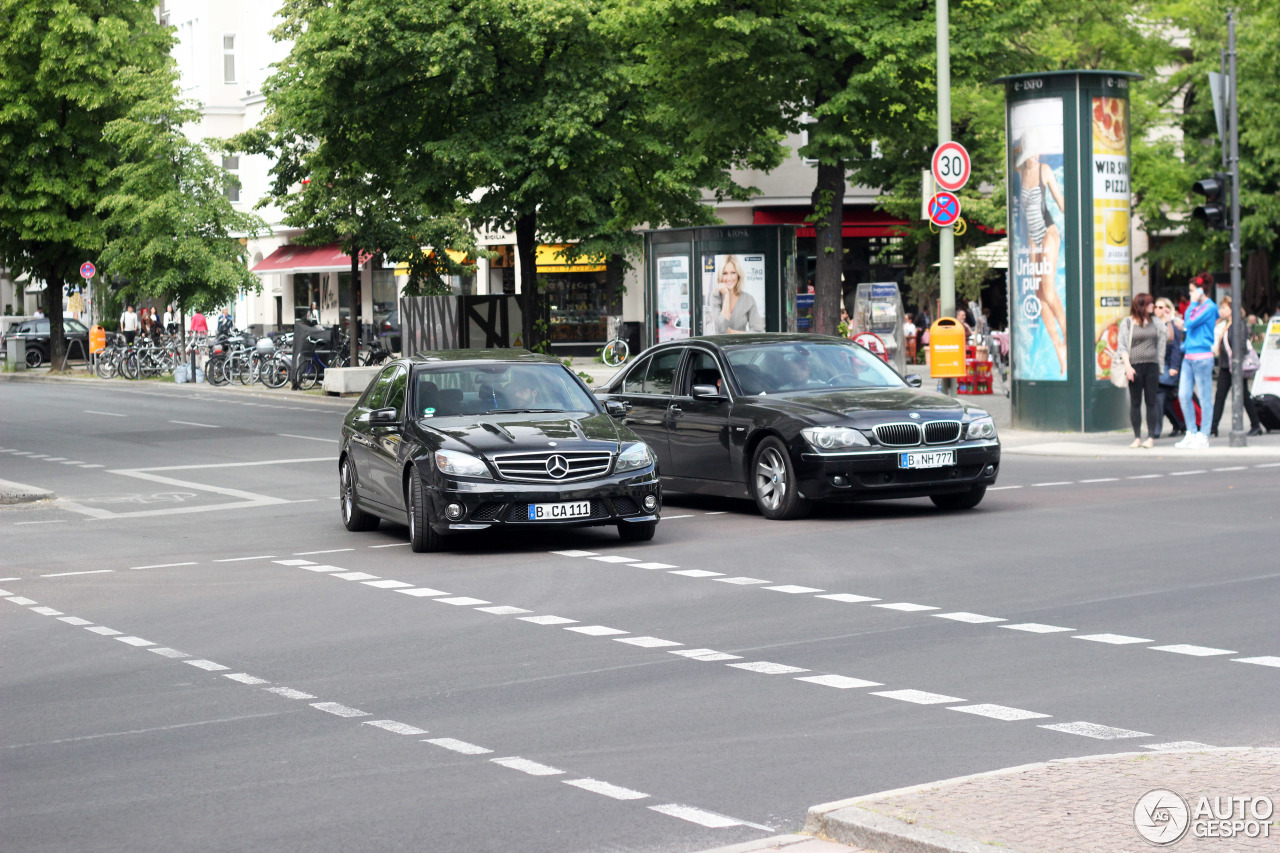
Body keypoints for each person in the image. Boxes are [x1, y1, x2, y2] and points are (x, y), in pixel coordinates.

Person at [1016, 129, 1069, 375]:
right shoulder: (1020, 171)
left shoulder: (1044, 170)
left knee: (1048, 289)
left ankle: (1069, 335)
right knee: (1040, 296)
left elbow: (1060, 202)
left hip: (1048, 231)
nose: (1035, 156)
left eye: (1037, 151)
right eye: (1031, 152)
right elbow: (1012, 153)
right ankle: (1059, 347)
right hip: (1032, 240)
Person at [1116, 293, 1166, 448]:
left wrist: (1160, 366)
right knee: (1135, 402)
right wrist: (1128, 367)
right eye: (1150, 304)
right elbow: (1122, 346)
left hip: (1152, 366)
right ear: (1142, 305)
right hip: (1135, 367)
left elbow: (1164, 342)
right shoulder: (1128, 322)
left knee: (1151, 402)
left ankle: (1150, 436)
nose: (1153, 306)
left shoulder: (1156, 322)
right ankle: (1137, 436)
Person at [1209, 296, 1263, 437]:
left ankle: (1255, 425)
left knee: (1241, 396)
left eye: (1224, 308)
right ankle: (1213, 427)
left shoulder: (1238, 325)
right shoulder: (1227, 324)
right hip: (1227, 366)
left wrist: (1235, 361)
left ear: (1232, 309)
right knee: (1222, 396)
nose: (1221, 311)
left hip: (1234, 367)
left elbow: (1241, 346)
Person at [1176, 278, 1219, 448]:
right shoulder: (1199, 307)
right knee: (1183, 395)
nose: (1190, 294)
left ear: (1201, 291)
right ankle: (1191, 432)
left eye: (1192, 290)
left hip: (1202, 356)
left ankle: (1204, 435)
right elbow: (1189, 324)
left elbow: (1190, 322)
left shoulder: (1209, 307)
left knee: (1204, 396)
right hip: (1189, 355)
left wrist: (1192, 304)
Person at [1154, 298, 1185, 438]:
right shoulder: (1152, 324)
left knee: (1159, 398)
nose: (1158, 309)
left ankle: (1155, 430)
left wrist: (1174, 366)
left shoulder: (1172, 326)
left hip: (1167, 367)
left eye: (1161, 307)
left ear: (1167, 309)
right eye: (1156, 307)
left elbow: (1176, 348)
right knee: (1164, 401)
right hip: (1154, 367)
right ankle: (1178, 423)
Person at [709, 255, 764, 334]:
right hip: (719, 346)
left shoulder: (748, 299)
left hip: (742, 345)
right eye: (725, 273)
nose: (729, 278)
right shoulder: (715, 297)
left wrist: (732, 332)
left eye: (733, 273)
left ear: (738, 275)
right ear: (720, 276)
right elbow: (721, 330)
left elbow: (759, 332)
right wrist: (726, 296)